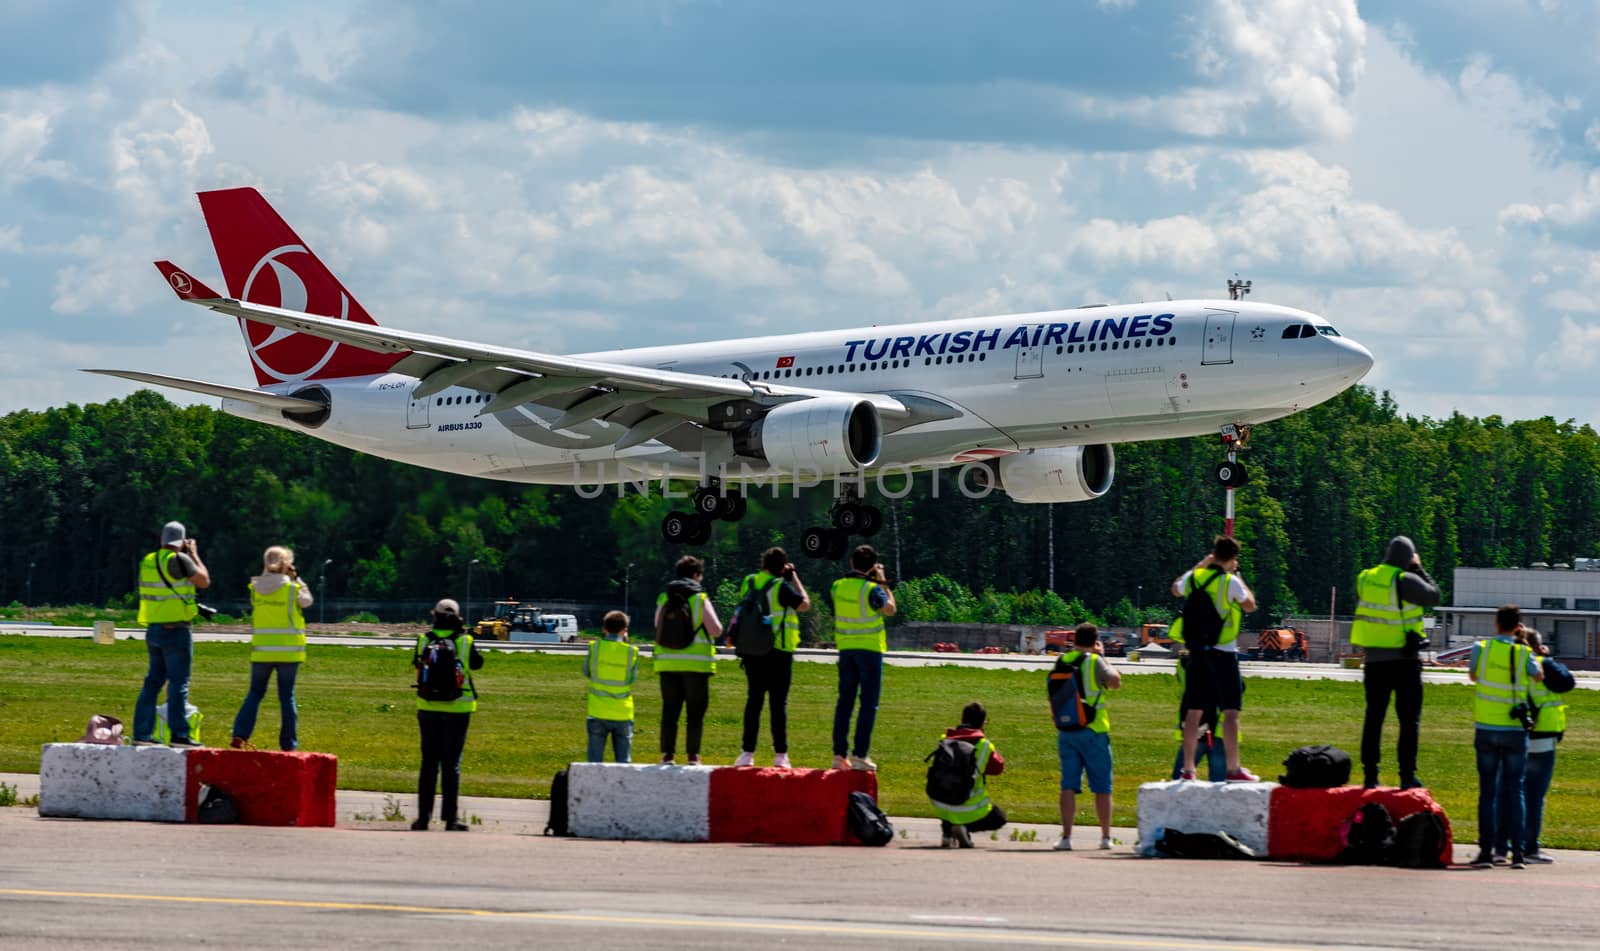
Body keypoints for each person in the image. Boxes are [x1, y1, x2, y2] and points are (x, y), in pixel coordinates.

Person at [1350, 535, 1441, 789]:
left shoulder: (1365, 578)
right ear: (1407, 558)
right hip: (1404, 661)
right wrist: (1419, 568)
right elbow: (1434, 596)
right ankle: (1406, 774)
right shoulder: (1405, 580)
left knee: (1374, 718)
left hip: (1374, 661)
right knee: (1409, 721)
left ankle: (1370, 775)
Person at [1172, 535, 1259, 782]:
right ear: (1232, 559)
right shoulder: (1230, 582)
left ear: (1213, 554)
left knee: (1193, 712)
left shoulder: (1195, 578)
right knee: (1230, 711)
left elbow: (1176, 588)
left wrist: (1200, 565)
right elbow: (1250, 605)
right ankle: (1234, 768)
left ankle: (1188, 770)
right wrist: (1238, 577)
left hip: (1198, 652)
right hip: (1224, 653)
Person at [1467, 604, 1543, 869]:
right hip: (1514, 730)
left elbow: (1473, 675)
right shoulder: (1523, 653)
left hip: (1487, 726)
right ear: (1518, 626)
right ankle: (1518, 853)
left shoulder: (1482, 648)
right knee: (1515, 790)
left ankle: (1486, 851)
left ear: (1496, 624)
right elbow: (1539, 676)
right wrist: (1523, 644)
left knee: (1487, 792)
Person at [132, 521, 211, 748]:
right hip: (176, 630)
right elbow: (204, 581)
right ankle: (179, 734)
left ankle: (142, 733)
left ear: (162, 539)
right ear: (182, 541)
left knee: (153, 682)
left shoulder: (148, 560)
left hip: (153, 628)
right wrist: (194, 554)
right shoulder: (180, 560)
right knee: (178, 683)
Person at [230, 546, 313, 751]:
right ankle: (288, 744)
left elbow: (267, 586)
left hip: (262, 652)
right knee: (286, 696)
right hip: (288, 652)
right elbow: (307, 602)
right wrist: (297, 578)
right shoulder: (292, 589)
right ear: (287, 564)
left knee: (255, 693)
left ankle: (240, 734)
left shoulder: (255, 589)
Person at [733, 548, 810, 768]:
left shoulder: (748, 582)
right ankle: (780, 754)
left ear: (763, 563)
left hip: (751, 650)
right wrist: (793, 577)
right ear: (782, 566)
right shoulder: (781, 586)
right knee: (778, 703)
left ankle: (747, 752)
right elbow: (804, 604)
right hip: (778, 650)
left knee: (754, 700)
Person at [411, 598, 484, 831]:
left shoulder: (424, 640)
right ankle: (450, 819)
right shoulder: (465, 640)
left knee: (429, 764)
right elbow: (477, 664)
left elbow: (417, 666)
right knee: (451, 765)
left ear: (435, 615)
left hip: (428, 708)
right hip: (458, 709)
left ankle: (423, 818)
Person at [1051, 623, 1122, 851]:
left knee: (1068, 785)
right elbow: (1114, 682)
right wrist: (1103, 657)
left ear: (1074, 639)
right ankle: (1105, 837)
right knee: (1102, 786)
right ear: (1095, 640)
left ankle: (1066, 837)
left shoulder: (1063, 660)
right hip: (1094, 730)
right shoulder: (1094, 660)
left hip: (1067, 730)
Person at [831, 544, 897, 771]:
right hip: (869, 650)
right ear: (871, 566)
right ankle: (859, 754)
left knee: (844, 704)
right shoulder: (872, 589)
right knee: (868, 704)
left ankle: (839, 755)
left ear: (851, 562)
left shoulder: (837, 587)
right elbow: (890, 609)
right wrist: (882, 580)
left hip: (846, 649)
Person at [654, 555, 722, 765]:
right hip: (696, 665)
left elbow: (657, 625)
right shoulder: (699, 598)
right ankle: (693, 755)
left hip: (667, 663)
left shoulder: (664, 598)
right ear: (695, 575)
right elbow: (715, 629)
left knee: (670, 711)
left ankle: (667, 754)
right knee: (695, 713)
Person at [1509, 628, 1568, 865]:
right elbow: (1567, 681)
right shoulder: (1542, 666)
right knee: (1534, 797)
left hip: (1513, 735)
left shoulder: (1510, 665)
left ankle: (1502, 845)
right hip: (1541, 738)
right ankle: (1530, 847)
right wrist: (1546, 657)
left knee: (1510, 793)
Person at [931, 701, 1007, 848]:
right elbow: (998, 768)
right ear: (983, 723)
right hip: (967, 806)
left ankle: (948, 830)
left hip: (939, 803)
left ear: (961, 720)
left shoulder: (945, 740)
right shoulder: (984, 745)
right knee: (999, 818)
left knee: (951, 791)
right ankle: (964, 827)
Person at [582, 610, 638, 763]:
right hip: (622, 713)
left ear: (603, 629)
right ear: (625, 631)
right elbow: (632, 679)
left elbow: (586, 671)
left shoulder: (595, 648)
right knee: (623, 763)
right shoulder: (630, 652)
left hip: (597, 712)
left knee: (594, 762)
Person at [1169, 648, 1229, 782]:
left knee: (1180, 776)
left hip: (1195, 725)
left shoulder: (1185, 662)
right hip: (1216, 725)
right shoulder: (1220, 661)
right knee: (1219, 780)